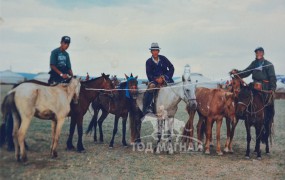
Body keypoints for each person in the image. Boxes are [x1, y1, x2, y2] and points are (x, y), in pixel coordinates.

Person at [231, 47, 276, 125]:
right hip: (254, 85)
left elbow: (272, 77)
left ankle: (268, 118)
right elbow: (246, 72)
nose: (257, 54)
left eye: (259, 52)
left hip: (265, 87)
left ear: (263, 53)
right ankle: (242, 114)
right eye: (256, 52)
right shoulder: (254, 63)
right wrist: (237, 72)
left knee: (268, 103)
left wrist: (272, 88)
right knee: (244, 94)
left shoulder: (268, 64)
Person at [143, 43, 175, 115]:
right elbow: (149, 74)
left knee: (175, 88)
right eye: (153, 50)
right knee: (151, 87)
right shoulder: (148, 62)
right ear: (151, 52)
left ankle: (173, 105)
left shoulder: (163, 58)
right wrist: (157, 79)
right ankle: (148, 106)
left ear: (158, 51)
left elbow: (172, 67)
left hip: (166, 79)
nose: (155, 52)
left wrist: (165, 77)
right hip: (154, 81)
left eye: (156, 50)